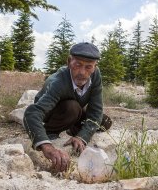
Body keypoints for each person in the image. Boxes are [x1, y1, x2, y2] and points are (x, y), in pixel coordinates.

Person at [23, 42, 112, 172]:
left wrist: (82, 137)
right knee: (72, 108)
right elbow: (32, 113)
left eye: (88, 67)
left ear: (94, 67)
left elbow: (96, 111)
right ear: (69, 61)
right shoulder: (58, 82)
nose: (82, 72)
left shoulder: (95, 74)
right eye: (77, 65)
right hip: (52, 112)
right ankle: (50, 131)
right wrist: (47, 146)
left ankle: (73, 130)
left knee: (104, 121)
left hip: (73, 110)